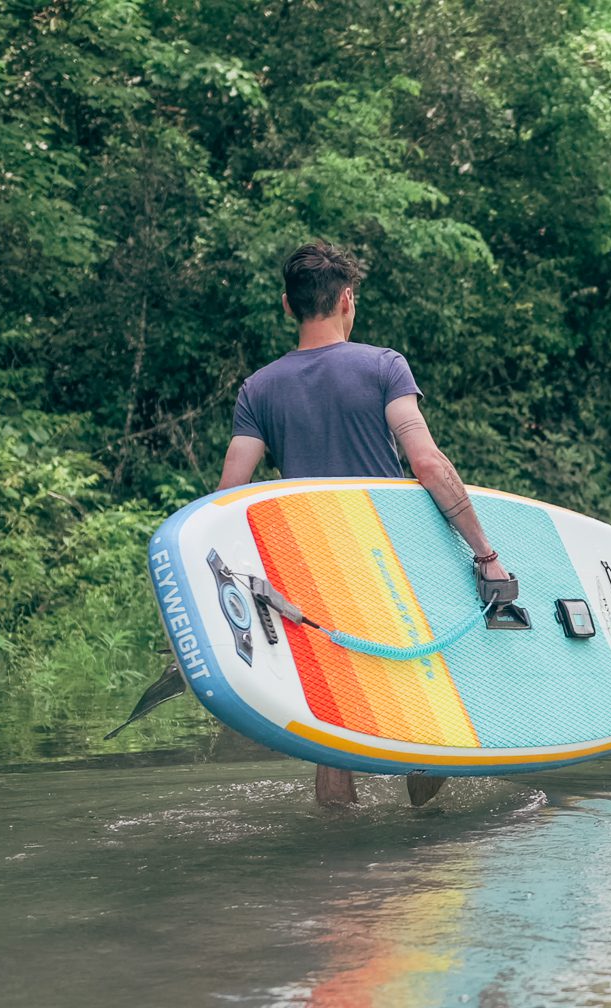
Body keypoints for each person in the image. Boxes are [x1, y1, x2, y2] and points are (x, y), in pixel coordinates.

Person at [216, 241, 510, 809]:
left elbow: (229, 497)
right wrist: (485, 553)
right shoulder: (383, 367)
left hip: (306, 563)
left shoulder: (259, 388)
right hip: (387, 558)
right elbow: (427, 463)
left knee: (333, 727)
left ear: (287, 305)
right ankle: (424, 843)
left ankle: (338, 859)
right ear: (347, 300)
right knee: (426, 707)